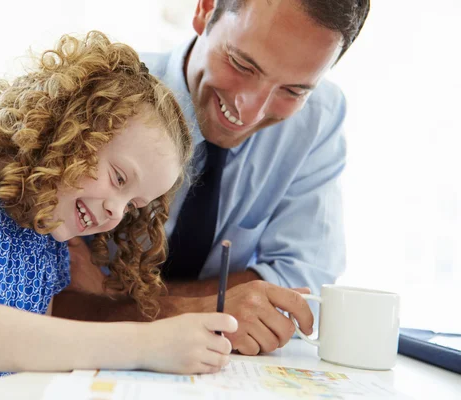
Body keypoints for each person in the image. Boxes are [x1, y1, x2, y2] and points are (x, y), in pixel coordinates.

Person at [0, 31, 238, 399]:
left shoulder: (45, 237)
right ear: (73, 128)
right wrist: (146, 344)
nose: (115, 212)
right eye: (119, 178)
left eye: (132, 206)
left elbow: (30, 353)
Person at [53, 0, 370, 356]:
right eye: (241, 64)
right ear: (205, 10)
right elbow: (44, 294)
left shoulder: (319, 120)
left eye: (293, 91)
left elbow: (302, 285)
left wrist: (114, 296)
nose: (250, 110)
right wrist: (199, 308)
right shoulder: (100, 93)